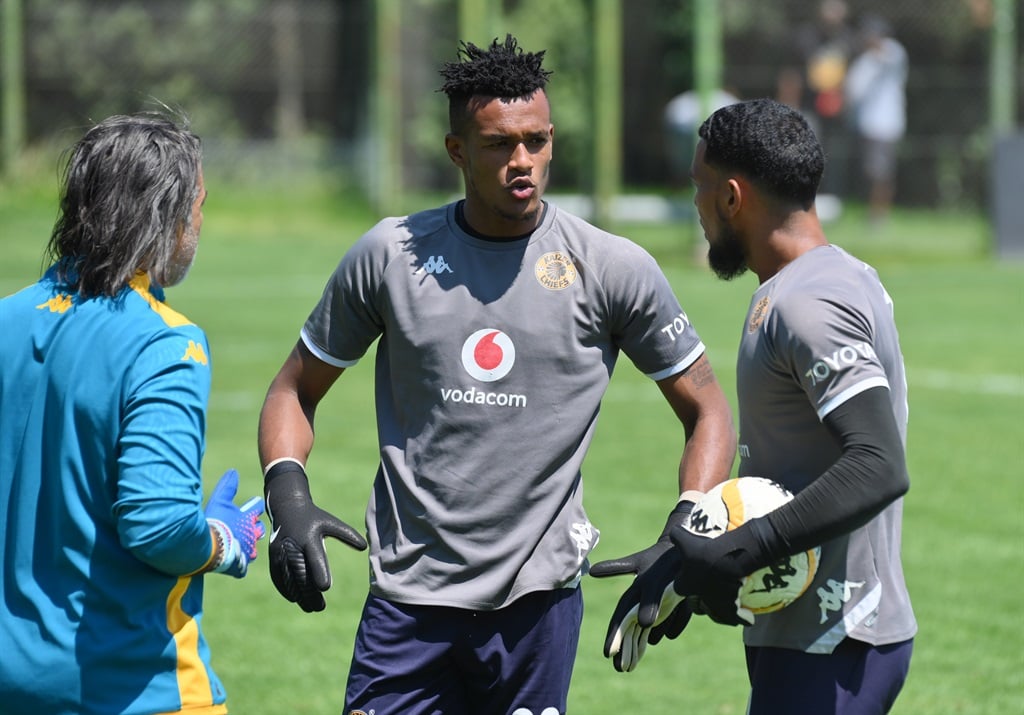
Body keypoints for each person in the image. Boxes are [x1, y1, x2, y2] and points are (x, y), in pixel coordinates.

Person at [257, 34, 736, 715]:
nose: (524, 161)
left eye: (537, 141)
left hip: (536, 607)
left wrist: (687, 524)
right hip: (409, 602)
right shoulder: (391, 256)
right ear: (457, 151)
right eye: (499, 144)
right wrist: (288, 495)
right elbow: (293, 390)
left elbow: (708, 407)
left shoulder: (610, 267)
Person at [600, 98, 917, 714]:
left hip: (836, 641)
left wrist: (742, 553)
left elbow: (878, 463)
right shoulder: (805, 286)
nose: (695, 204)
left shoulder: (811, 302)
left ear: (731, 197)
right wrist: (692, 562)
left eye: (700, 186)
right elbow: (791, 475)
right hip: (808, 635)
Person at [0, 112, 266, 714]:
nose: (200, 223)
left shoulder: (6, 320)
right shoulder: (165, 342)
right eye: (198, 204)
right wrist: (224, 541)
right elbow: (160, 525)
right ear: (168, 218)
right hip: (128, 686)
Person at [776, 0, 856, 203]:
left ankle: (835, 198)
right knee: (809, 150)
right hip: (808, 105)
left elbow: (853, 73)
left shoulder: (848, 39)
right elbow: (790, 73)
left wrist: (847, 99)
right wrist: (788, 104)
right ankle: (808, 196)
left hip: (837, 107)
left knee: (836, 152)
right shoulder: (805, 37)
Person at [845, 15, 908, 226]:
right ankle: (874, 212)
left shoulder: (893, 52)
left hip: (887, 123)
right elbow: (852, 91)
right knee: (871, 172)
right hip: (868, 125)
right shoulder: (864, 63)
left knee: (882, 172)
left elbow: (890, 59)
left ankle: (879, 215)